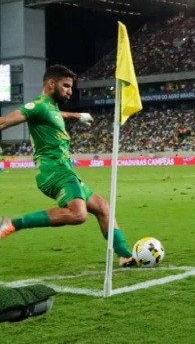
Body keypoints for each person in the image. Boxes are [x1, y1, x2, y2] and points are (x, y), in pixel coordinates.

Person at [0, 65, 137, 266]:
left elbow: (56, 114)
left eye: (71, 87)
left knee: (102, 207)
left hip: (65, 170)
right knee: (78, 214)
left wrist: (76, 115)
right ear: (50, 83)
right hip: (54, 171)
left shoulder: (51, 108)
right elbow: (4, 121)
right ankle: (12, 223)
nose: (70, 91)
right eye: (65, 86)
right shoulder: (37, 106)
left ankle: (125, 255)